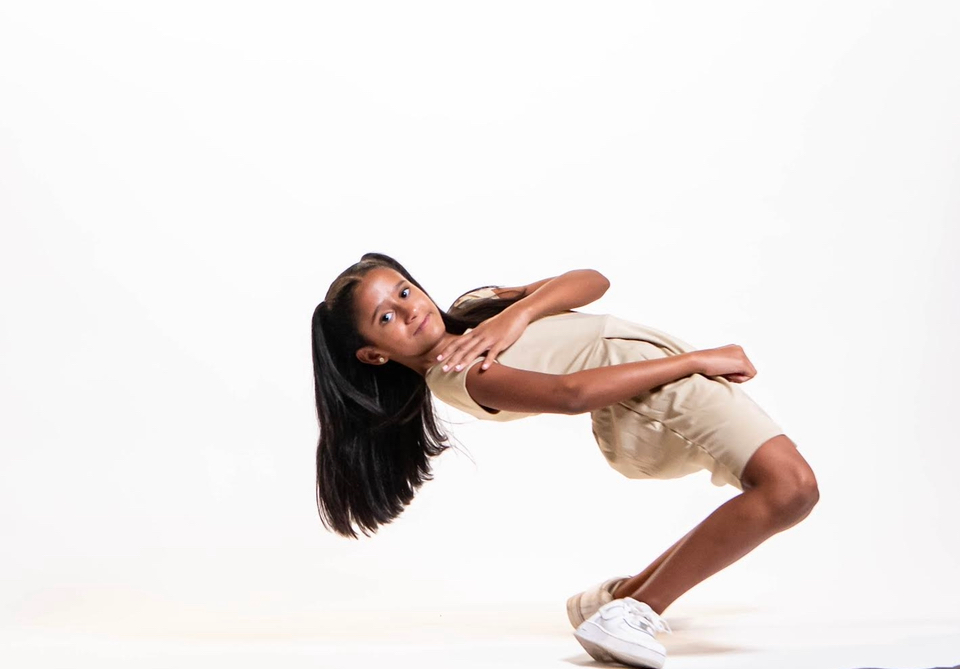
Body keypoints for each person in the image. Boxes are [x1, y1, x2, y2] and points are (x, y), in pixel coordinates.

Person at [312, 252, 819, 669]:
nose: (409, 309)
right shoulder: (460, 374)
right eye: (386, 318)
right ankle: (634, 611)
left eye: (403, 291)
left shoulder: (475, 309)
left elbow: (592, 280)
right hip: (655, 394)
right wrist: (698, 360)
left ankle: (617, 598)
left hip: (659, 375)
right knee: (790, 488)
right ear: (375, 355)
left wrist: (518, 310)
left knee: (784, 486)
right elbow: (571, 394)